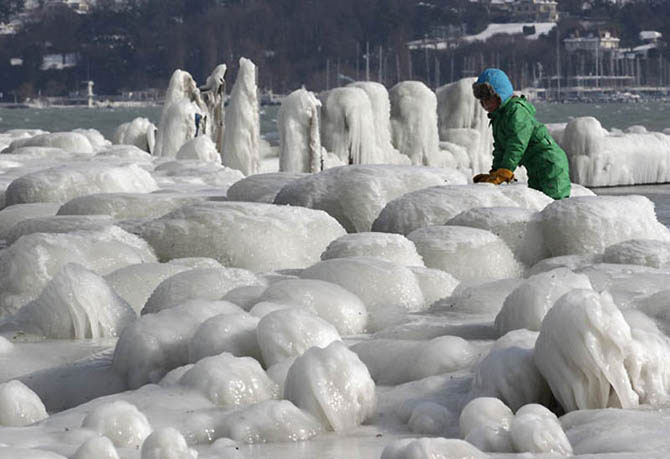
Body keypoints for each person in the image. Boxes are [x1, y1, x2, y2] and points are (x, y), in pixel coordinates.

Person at [471, 68, 571, 200]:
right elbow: (501, 148)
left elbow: (517, 143)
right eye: (482, 100)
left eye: (488, 98)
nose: (485, 103)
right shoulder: (498, 118)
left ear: (500, 94)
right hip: (535, 167)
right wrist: (495, 173)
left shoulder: (516, 111)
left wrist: (506, 170)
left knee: (555, 205)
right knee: (539, 205)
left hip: (550, 164)